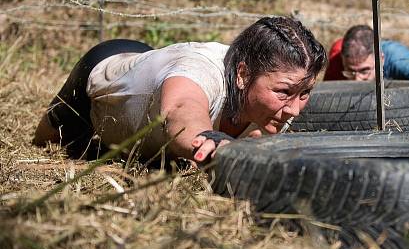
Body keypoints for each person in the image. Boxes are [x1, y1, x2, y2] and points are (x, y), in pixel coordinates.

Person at [33, 16, 327, 164]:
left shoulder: (277, 93)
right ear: (242, 75)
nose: (295, 109)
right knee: (45, 143)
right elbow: (180, 108)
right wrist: (212, 142)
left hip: (155, 70)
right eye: (284, 93)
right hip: (105, 71)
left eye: (305, 94)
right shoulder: (198, 73)